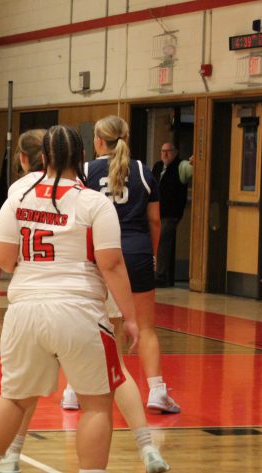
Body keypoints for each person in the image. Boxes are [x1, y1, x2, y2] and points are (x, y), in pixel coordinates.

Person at [0, 128, 169, 473]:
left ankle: (11, 455)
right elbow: (134, 238)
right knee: (113, 372)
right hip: (95, 283)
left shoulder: (21, 191)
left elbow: (3, 256)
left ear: (28, 158)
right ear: (79, 158)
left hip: (45, 294)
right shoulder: (100, 185)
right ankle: (147, 446)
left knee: (22, 390)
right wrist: (129, 315)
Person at [73, 116, 180, 415]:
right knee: (146, 328)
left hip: (100, 254)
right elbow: (155, 220)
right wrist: (152, 253)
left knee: (100, 325)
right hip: (137, 252)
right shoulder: (144, 171)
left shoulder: (85, 172)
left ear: (97, 141)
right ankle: (157, 390)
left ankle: (75, 390)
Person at [152, 142, 193, 287]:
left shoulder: (181, 166)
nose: (165, 154)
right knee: (156, 241)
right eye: (163, 151)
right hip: (156, 212)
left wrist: (196, 161)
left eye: (168, 151)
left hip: (171, 213)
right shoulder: (157, 167)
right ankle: (155, 273)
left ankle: (161, 276)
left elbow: (198, 169)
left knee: (163, 241)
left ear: (175, 152)